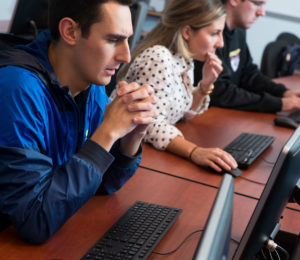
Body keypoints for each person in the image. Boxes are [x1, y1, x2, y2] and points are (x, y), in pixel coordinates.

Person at [0, 0, 157, 244]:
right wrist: (106, 132)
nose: (126, 55)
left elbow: (102, 183)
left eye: (127, 40)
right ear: (70, 32)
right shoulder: (18, 89)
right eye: (113, 40)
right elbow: (34, 220)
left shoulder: (91, 84)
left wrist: (130, 138)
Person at [115, 0, 238, 173]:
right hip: (125, 157)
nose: (221, 43)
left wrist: (205, 84)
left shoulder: (184, 58)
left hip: (147, 152)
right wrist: (194, 151)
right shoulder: (159, 57)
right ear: (187, 32)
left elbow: (183, 112)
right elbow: (148, 124)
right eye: (215, 33)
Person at [194, 0, 300, 113]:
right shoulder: (208, 36)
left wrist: (283, 93)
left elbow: (248, 74)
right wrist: (279, 104)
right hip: (206, 116)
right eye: (257, 4)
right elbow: (220, 92)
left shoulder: (239, 30)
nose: (262, 12)